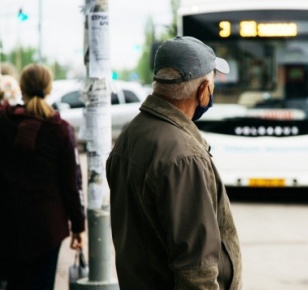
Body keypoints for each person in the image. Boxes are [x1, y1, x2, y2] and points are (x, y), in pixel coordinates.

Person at [106, 36, 242, 290]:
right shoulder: (184, 157)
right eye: (212, 84)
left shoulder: (131, 134)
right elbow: (196, 270)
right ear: (203, 91)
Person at [0, 63, 85, 290]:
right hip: (47, 228)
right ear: (49, 89)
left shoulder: (4, 122)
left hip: (8, 224)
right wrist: (78, 225)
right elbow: (71, 184)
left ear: (21, 88)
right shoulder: (60, 129)